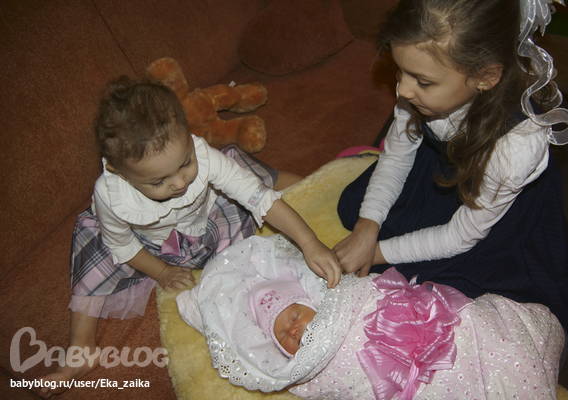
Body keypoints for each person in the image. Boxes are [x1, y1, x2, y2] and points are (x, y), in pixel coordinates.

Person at [334, 0, 568, 371]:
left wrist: (375, 253)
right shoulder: (418, 91)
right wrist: (367, 227)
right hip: (440, 169)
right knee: (355, 208)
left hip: (487, 213)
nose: (403, 90)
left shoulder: (518, 145)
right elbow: (394, 157)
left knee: (451, 284)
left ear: (485, 77)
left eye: (422, 81)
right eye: (400, 72)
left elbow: (460, 235)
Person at [38, 77, 341, 397]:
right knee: (92, 242)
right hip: (151, 246)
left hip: (215, 221)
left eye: (185, 164)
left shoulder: (204, 155)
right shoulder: (110, 193)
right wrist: (161, 271)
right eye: (159, 182)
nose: (180, 183)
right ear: (118, 172)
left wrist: (310, 243)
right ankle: (81, 350)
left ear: (188, 135)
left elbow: (258, 198)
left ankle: (319, 181)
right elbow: (121, 244)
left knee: (249, 173)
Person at [177, 234, 565, 399]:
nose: (293, 328)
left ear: (311, 303)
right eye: (284, 335)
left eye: (294, 314)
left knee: (482, 335)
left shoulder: (342, 301)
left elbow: (371, 294)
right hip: (390, 380)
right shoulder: (305, 372)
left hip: (420, 331)